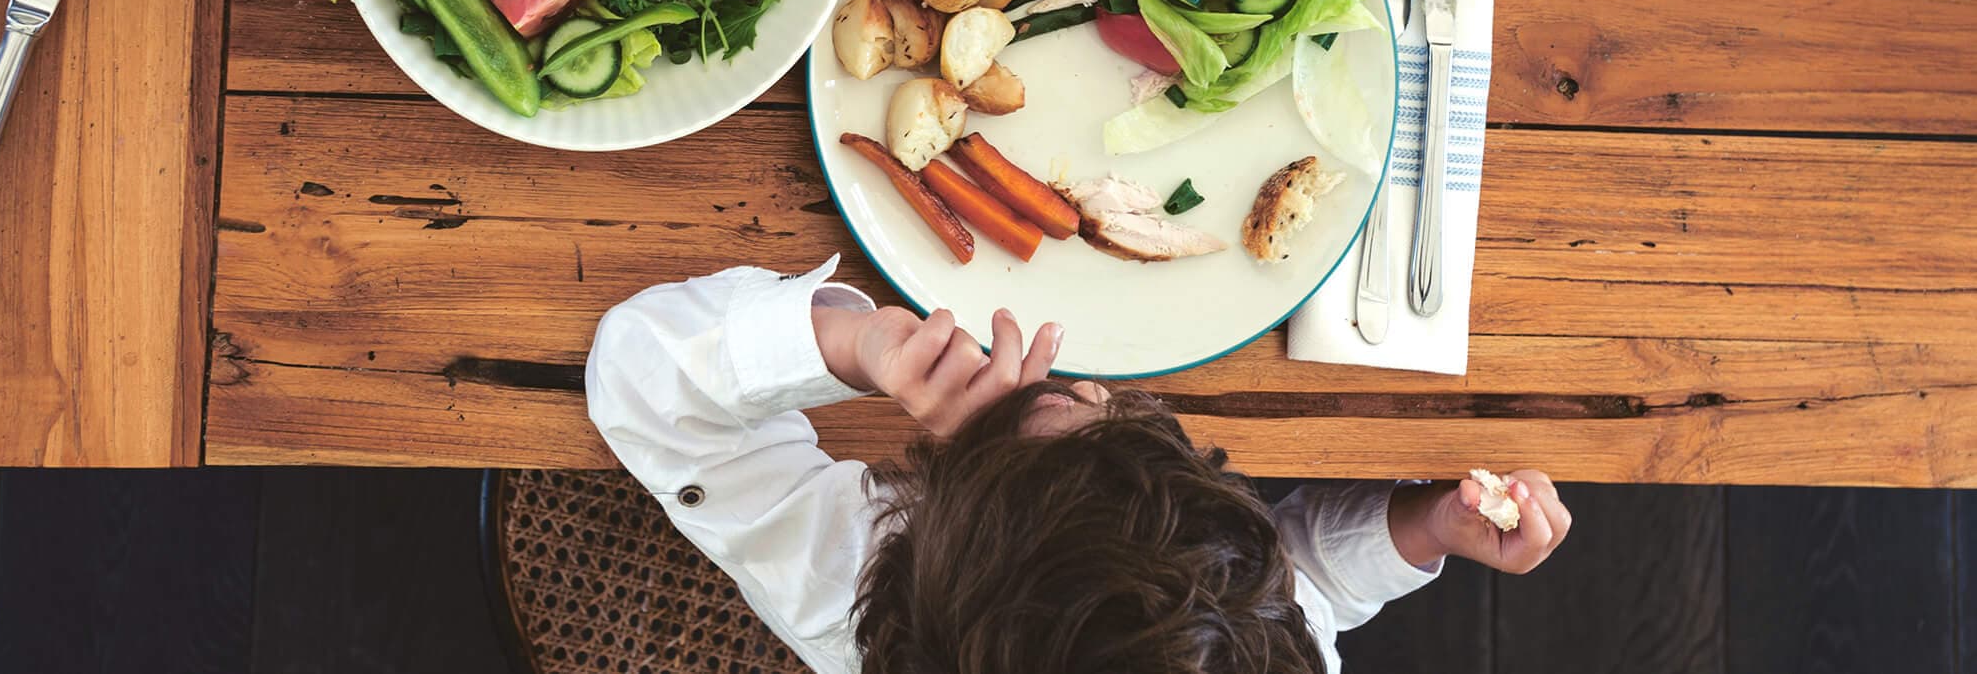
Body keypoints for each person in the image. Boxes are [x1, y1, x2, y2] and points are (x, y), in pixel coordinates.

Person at [587, 260, 1574, 674]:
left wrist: (856, 346)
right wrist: (1417, 531)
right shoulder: (1258, 647)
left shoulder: (855, 593)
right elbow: (1300, 583)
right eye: (1132, 428)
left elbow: (641, 380)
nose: (1084, 385)